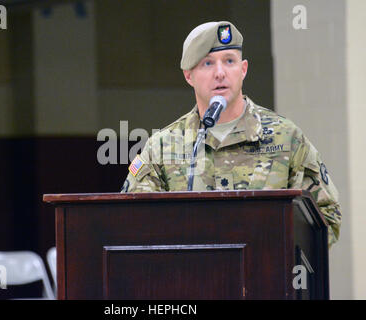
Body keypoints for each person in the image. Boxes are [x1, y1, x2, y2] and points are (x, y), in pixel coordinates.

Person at [120, 21, 341, 247]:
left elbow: (327, 217)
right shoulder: (162, 147)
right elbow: (132, 223)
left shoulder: (286, 137)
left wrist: (276, 258)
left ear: (243, 69)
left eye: (229, 61)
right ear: (189, 76)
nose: (220, 73)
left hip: (266, 279)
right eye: (207, 63)